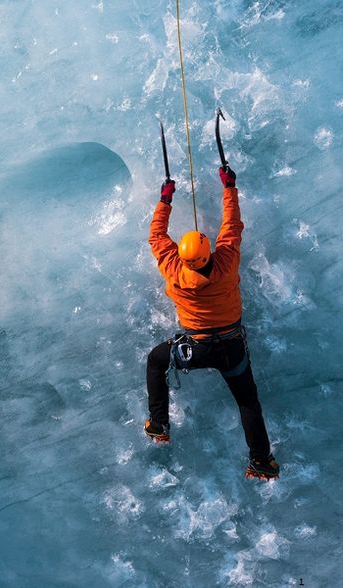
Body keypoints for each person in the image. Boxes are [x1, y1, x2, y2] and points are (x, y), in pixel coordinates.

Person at [144, 166, 280, 480]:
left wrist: (166, 199)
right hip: (231, 347)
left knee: (156, 361)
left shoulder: (174, 270)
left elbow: (156, 236)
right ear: (209, 251)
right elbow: (232, 224)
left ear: (182, 256)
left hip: (195, 348)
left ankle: (159, 424)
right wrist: (228, 186)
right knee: (247, 401)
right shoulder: (227, 261)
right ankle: (261, 461)